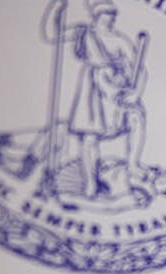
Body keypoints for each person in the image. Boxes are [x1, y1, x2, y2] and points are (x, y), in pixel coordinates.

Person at [42, 0, 147, 200]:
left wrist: (135, 93)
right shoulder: (83, 34)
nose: (110, 18)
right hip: (92, 90)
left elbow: (140, 70)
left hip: (116, 88)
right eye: (106, 14)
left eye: (112, 14)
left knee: (136, 118)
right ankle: (90, 182)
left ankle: (133, 164)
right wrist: (56, 9)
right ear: (96, 15)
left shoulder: (119, 40)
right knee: (89, 136)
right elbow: (51, 35)